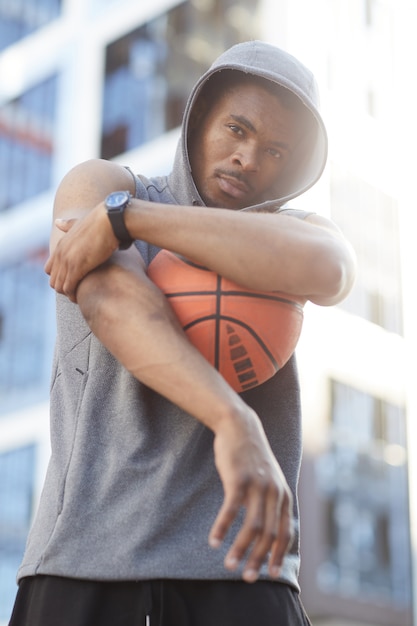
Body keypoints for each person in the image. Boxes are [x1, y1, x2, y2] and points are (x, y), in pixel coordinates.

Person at [9, 40, 356, 625]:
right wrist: (232, 418)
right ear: (196, 123)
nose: (249, 159)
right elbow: (115, 303)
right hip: (85, 564)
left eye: (274, 150)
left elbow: (331, 268)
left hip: (244, 573)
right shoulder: (99, 183)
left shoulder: (288, 232)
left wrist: (126, 221)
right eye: (236, 130)